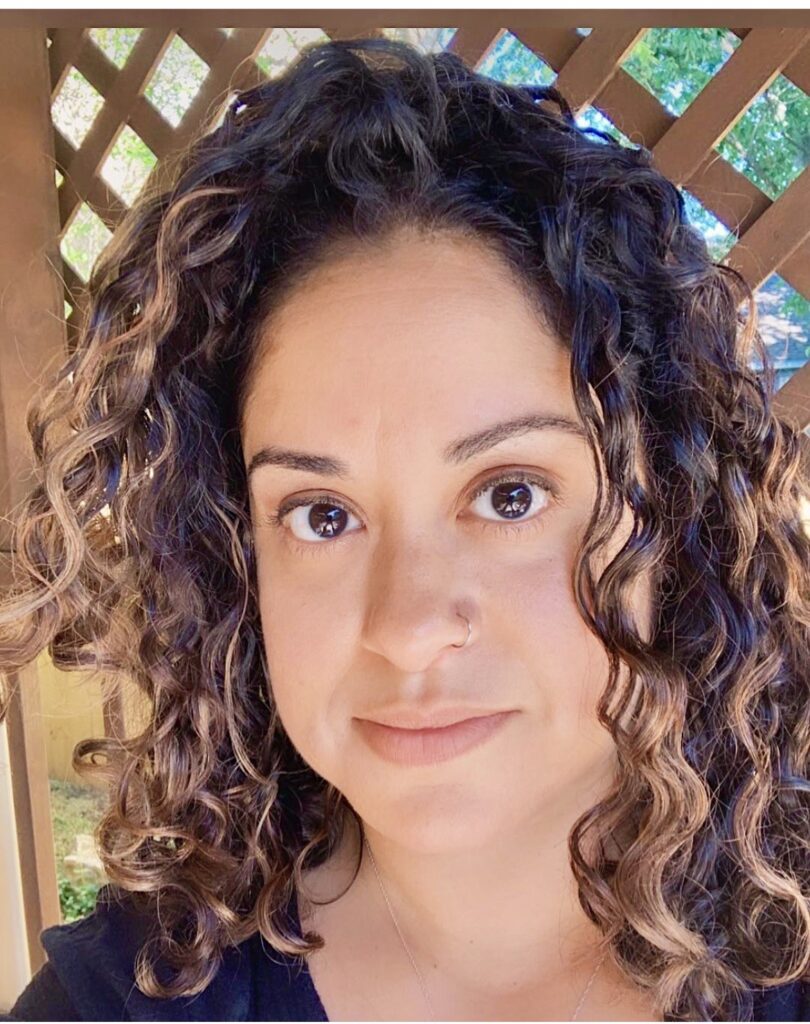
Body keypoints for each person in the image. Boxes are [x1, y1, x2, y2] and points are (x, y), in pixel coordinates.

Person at [1, 35, 809, 1023]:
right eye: (321, 514)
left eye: (510, 493)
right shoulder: (133, 999)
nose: (408, 624)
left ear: (671, 519)